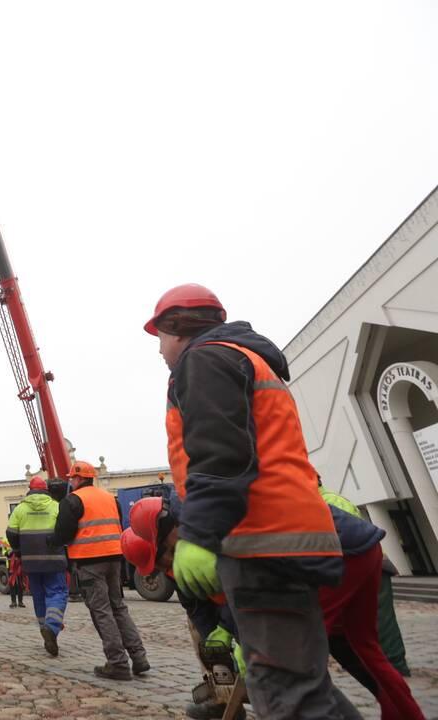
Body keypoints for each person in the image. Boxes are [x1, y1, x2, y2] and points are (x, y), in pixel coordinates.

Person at [147, 283, 348, 719]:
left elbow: (220, 455)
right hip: (287, 536)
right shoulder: (249, 359)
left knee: (289, 697)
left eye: (159, 336)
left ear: (176, 327)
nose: (159, 349)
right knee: (306, 688)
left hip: (260, 542)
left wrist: (198, 536)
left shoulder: (204, 359)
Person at [125, 495, 425, 720]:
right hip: (357, 550)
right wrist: (217, 642)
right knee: (361, 650)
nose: (164, 563)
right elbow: (203, 610)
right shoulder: (193, 542)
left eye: (162, 552)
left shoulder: (209, 523)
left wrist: (241, 637)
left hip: (329, 558)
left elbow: (251, 583)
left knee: (288, 666)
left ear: (171, 527)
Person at [55, 460, 148, 680]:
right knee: (118, 607)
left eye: (72, 478)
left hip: (89, 561)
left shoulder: (73, 500)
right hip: (115, 557)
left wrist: (52, 540)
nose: (71, 482)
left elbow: (63, 534)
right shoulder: (109, 498)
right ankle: (139, 656)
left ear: (77, 479)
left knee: (102, 611)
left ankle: (117, 663)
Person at [319, 478, 411, 677]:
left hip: (371, 568)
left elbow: (355, 540)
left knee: (381, 624)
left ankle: (396, 669)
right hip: (356, 569)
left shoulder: (328, 501)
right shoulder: (323, 499)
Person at [6, 476, 68, 657]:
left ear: (30, 489)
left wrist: (18, 550)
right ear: (46, 490)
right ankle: (52, 627)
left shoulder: (20, 509)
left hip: (30, 562)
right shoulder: (55, 506)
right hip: (54, 560)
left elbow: (11, 533)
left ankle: (45, 628)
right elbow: (64, 531)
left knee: (39, 595)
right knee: (57, 592)